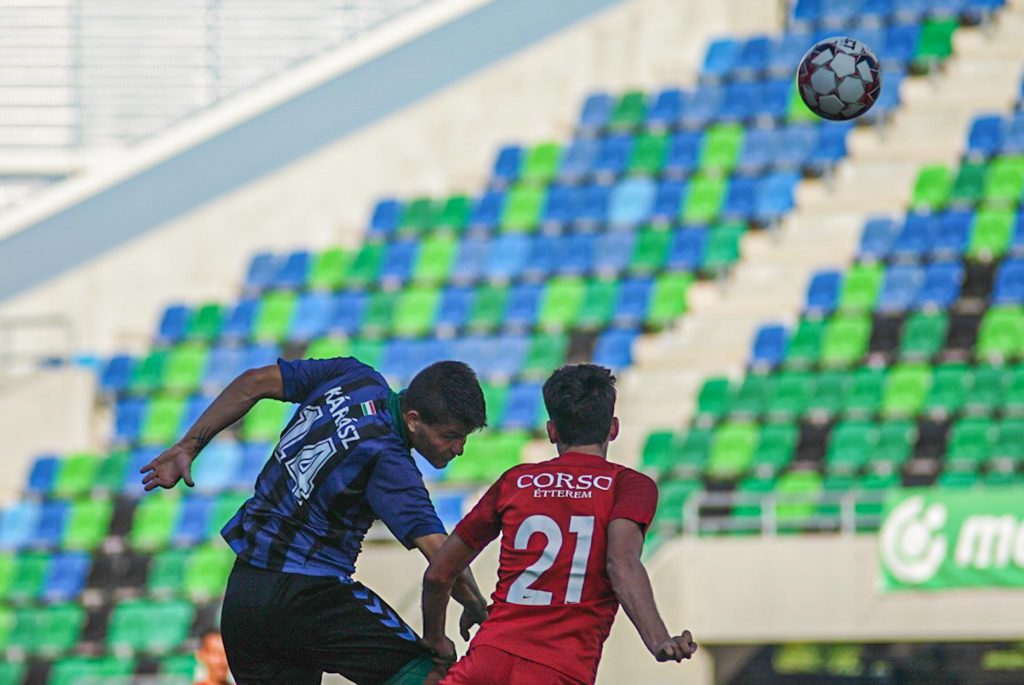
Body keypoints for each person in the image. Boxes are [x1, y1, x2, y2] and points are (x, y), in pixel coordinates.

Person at [141, 357, 491, 685]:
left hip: (244, 597)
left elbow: (254, 382)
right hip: (310, 597)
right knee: (433, 675)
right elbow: (443, 562)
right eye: (450, 435)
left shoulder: (353, 376)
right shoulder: (390, 462)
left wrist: (188, 447)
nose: (458, 448)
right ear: (413, 420)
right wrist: (475, 607)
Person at [420, 363, 697, 684]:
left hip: (486, 661)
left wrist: (436, 641)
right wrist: (659, 639)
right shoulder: (629, 486)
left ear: (552, 431)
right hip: (559, 669)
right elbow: (621, 563)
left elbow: (439, 574)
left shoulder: (515, 481)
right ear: (613, 428)